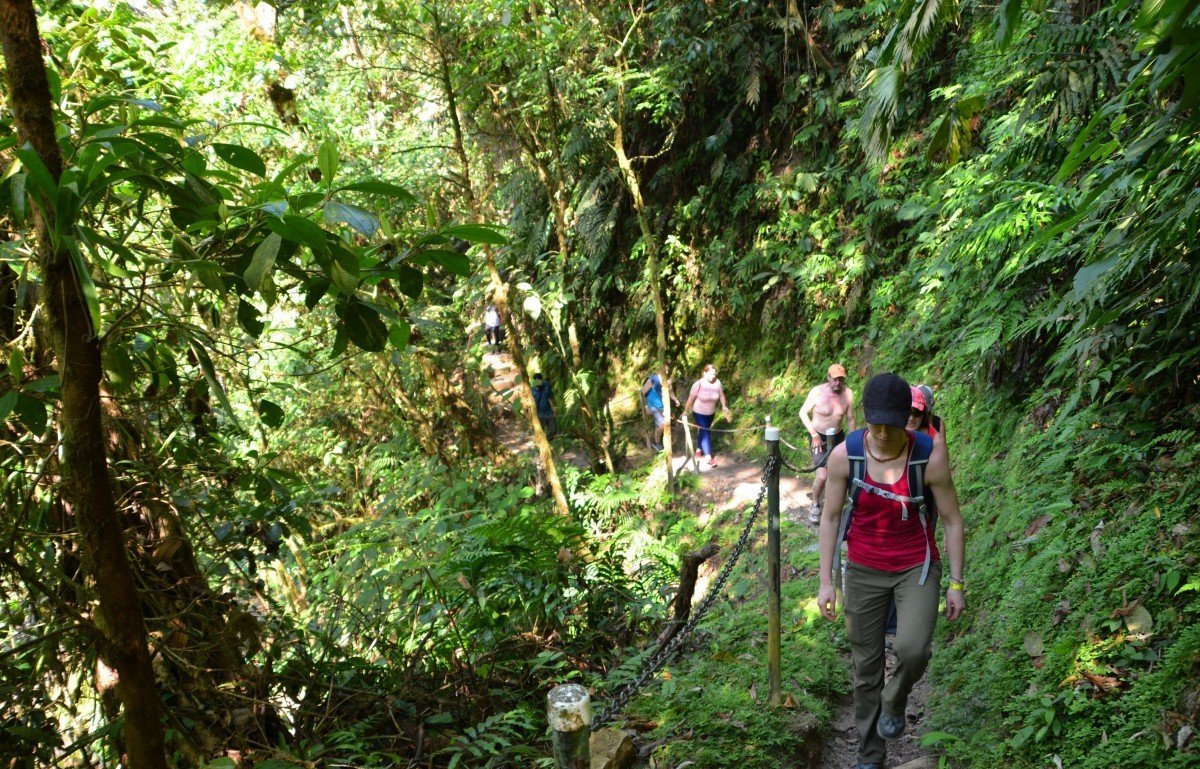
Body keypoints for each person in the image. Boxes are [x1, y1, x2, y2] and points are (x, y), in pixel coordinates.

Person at [815, 372, 965, 769]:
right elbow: (830, 518)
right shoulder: (846, 455)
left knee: (912, 649)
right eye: (874, 422)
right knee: (866, 670)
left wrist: (956, 582)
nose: (881, 432)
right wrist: (826, 582)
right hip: (863, 568)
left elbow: (951, 519)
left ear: (908, 419)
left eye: (890, 423)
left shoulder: (928, 455)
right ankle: (869, 756)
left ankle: (894, 700)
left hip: (917, 567)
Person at [799, 363, 857, 524]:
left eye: (841, 379)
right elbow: (802, 412)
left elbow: (850, 419)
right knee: (823, 475)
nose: (837, 382)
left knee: (839, 472)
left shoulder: (848, 394)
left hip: (838, 437)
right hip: (818, 437)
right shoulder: (817, 392)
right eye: (835, 379)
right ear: (828, 377)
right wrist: (813, 434)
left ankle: (833, 506)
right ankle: (816, 504)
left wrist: (852, 441)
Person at [683, 364, 730, 468]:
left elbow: (721, 395)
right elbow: (690, 399)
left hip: (711, 413)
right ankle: (709, 457)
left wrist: (724, 406)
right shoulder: (698, 384)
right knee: (705, 431)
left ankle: (698, 450)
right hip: (699, 412)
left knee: (704, 430)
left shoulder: (717, 383)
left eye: (714, 374)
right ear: (704, 373)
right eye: (711, 374)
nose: (713, 376)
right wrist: (685, 411)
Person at [642, 365, 679, 452]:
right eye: (664, 370)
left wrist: (676, 400)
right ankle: (656, 443)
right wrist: (646, 406)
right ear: (660, 370)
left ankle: (660, 443)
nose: (666, 372)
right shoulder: (652, 379)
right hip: (653, 405)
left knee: (662, 424)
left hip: (664, 405)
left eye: (667, 370)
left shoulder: (668, 381)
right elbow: (643, 393)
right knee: (662, 423)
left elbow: (671, 392)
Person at [531, 372, 556, 438]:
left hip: (549, 412)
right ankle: (542, 445)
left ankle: (547, 441)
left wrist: (555, 407)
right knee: (539, 433)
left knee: (553, 430)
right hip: (539, 414)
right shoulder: (532, 390)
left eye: (539, 381)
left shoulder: (546, 386)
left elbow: (551, 396)